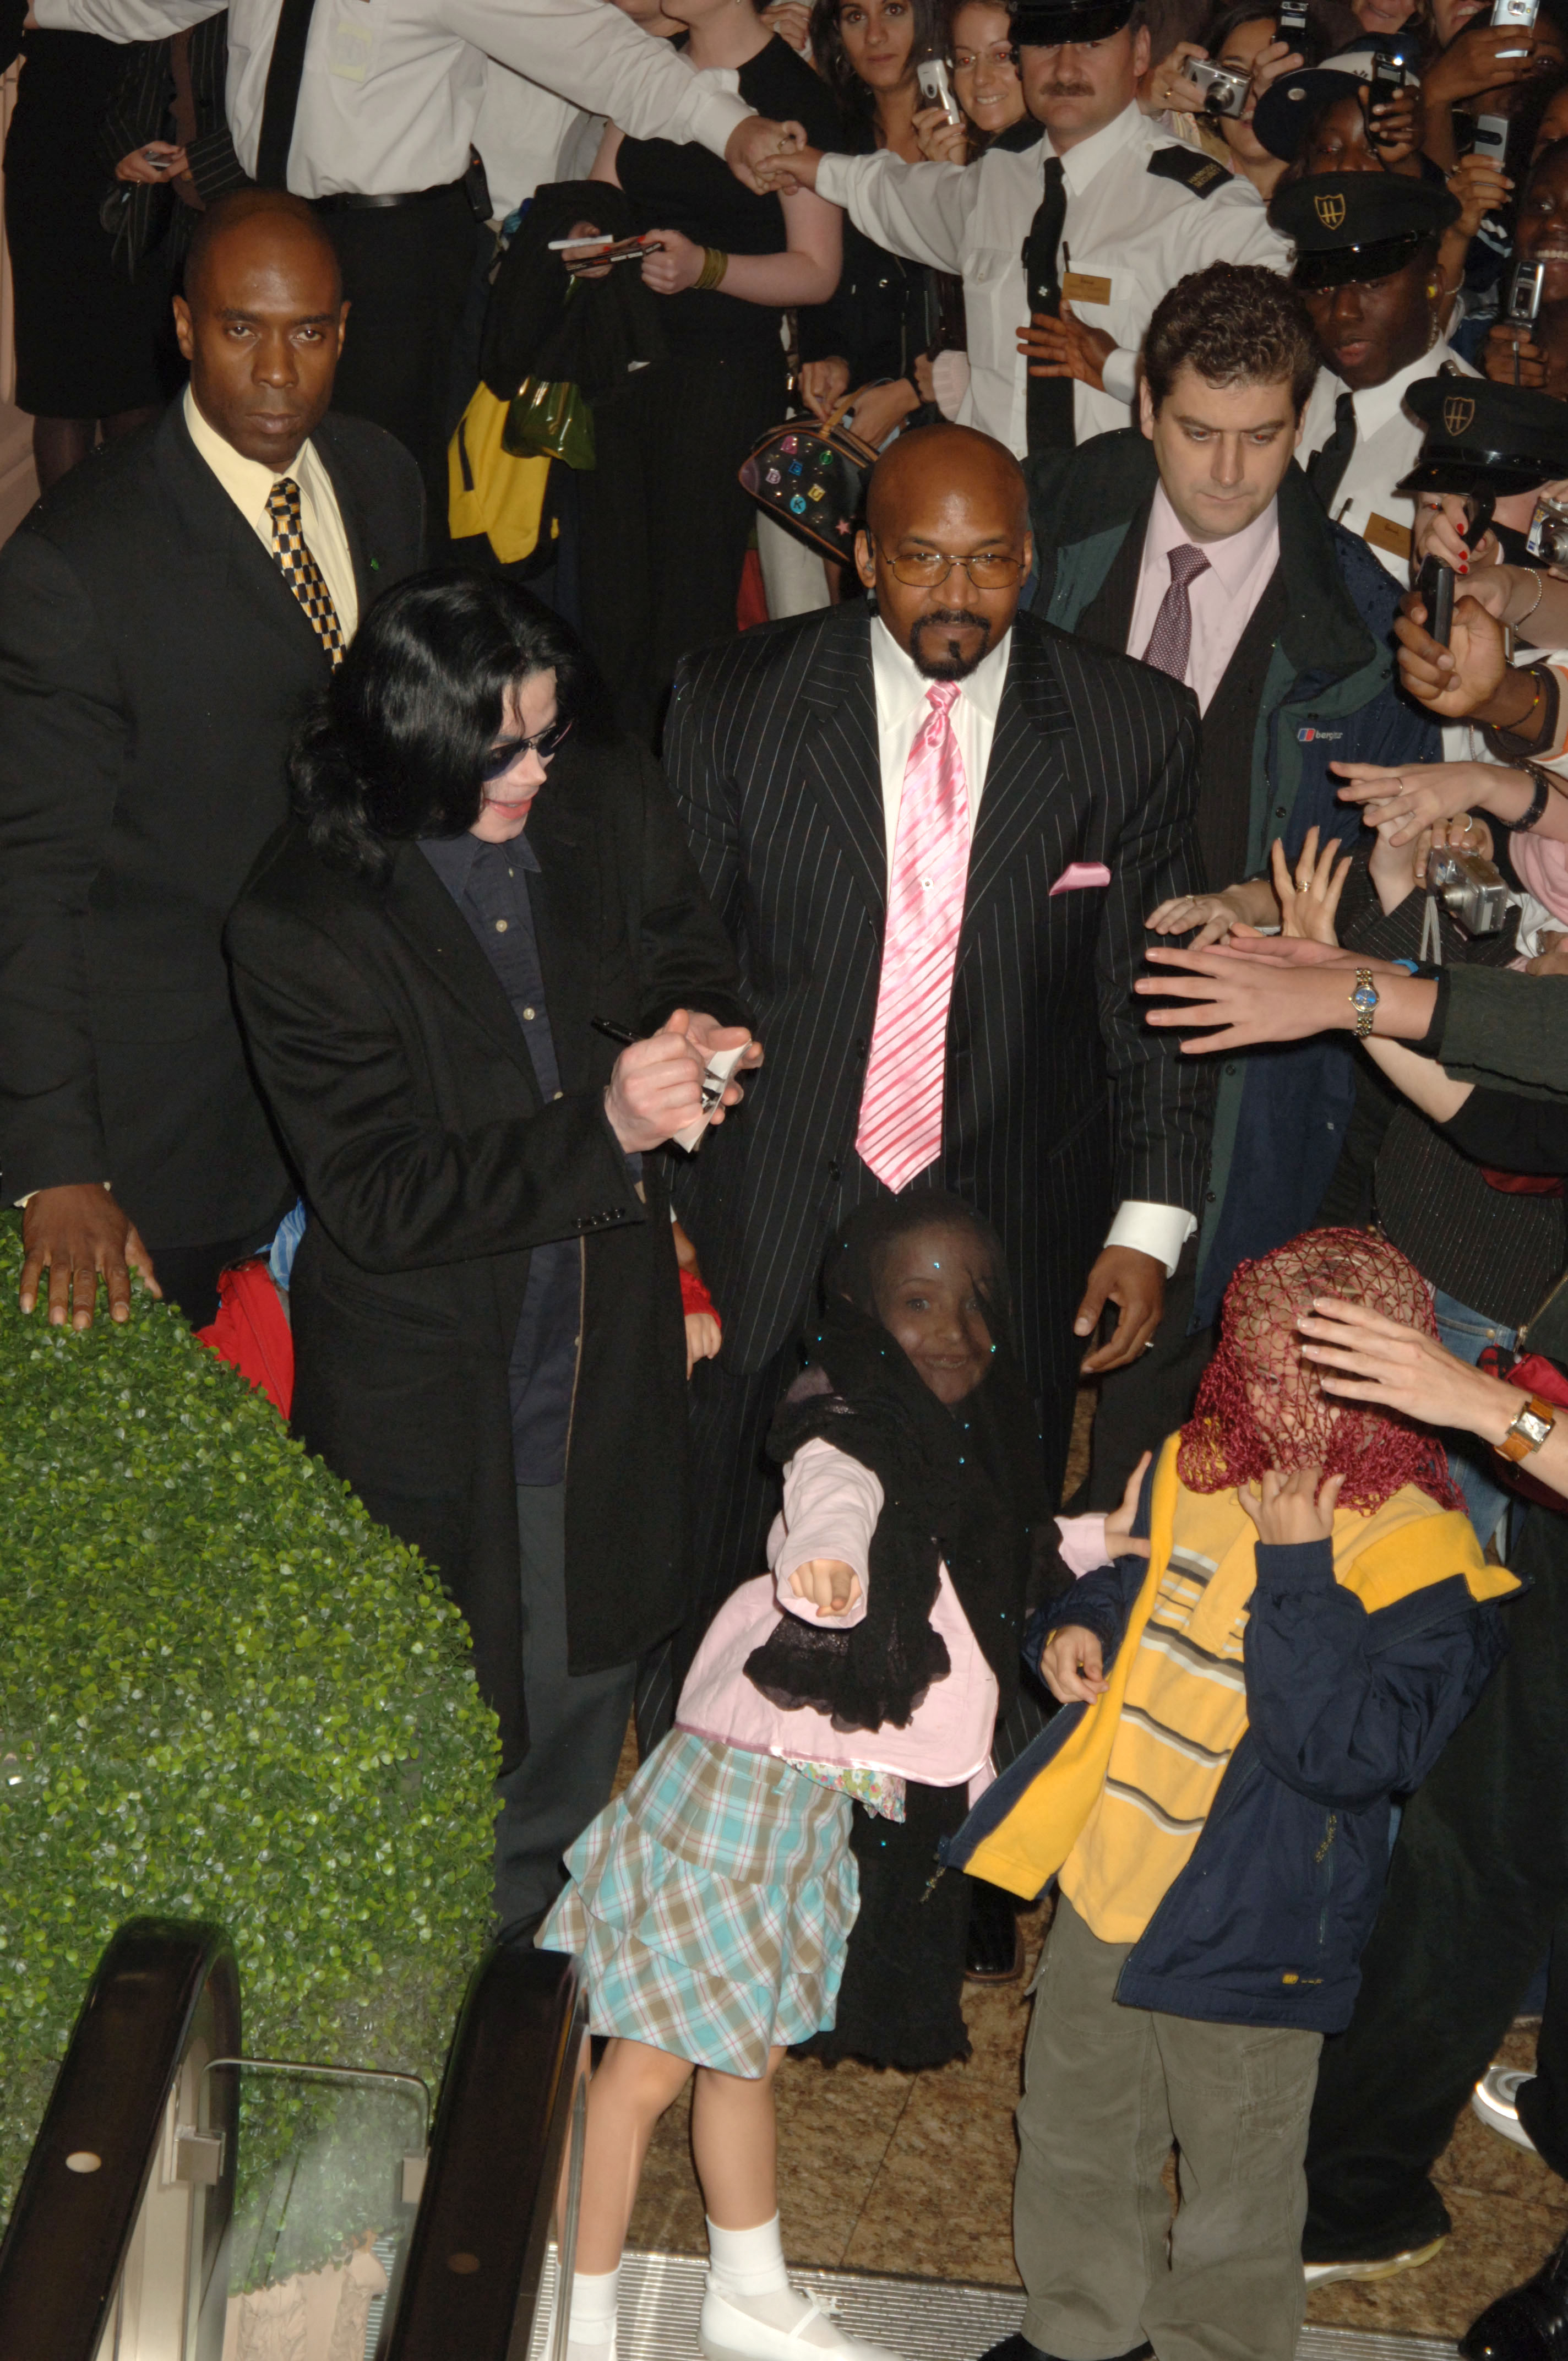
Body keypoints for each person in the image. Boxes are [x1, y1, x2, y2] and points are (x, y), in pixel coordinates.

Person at [650, 421, 1211, 1773]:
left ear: (1031, 559)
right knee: (728, 1510)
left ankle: (957, 1838)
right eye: (917, 561)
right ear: (857, 555)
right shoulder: (731, 700)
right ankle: (711, 1783)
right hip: (771, 1184)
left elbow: (1149, 996)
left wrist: (1147, 1223)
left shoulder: (1129, 724)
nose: (953, 597)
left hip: (1004, 1206)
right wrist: (659, 1217)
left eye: (987, 564)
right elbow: (672, 965)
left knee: (982, 1533)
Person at [224, 570, 755, 1936]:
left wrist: (700, 1027)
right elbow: (379, 1196)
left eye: (548, 734)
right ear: (409, 743)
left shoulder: (599, 794)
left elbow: (684, 940)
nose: (534, 769)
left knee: (577, 1733)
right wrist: (609, 1127)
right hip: (441, 1406)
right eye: (501, 747)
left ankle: (527, 2037)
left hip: (600, 1375)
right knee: (439, 1761)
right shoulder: (303, 918)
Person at [952, 1226, 1518, 2361]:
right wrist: (1077, 1625)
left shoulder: (1426, 1560)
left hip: (1260, 1923)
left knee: (1237, 2180)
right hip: (1114, 1875)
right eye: (1258, 1363)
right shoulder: (1192, 1459)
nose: (1278, 1398)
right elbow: (1131, 1566)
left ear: (1394, 1377)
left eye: (1318, 1373)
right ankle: (1079, 2328)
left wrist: (1300, 1569)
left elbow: (1352, 1756)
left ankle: (1215, 2343)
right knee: (1075, 2129)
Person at [536, 1193, 1059, 2361]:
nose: (955, 1331)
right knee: (644, 2067)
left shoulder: (959, 1438)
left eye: (975, 1302)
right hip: (747, 1788)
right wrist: (823, 1555)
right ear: (862, 1315)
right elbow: (834, 1493)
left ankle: (748, 2287)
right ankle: (576, 2311)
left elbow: (997, 1553)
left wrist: (1098, 1540)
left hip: (812, 1801)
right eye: (917, 1302)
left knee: (747, 2048)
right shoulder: (850, 1419)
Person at [1030, 260, 1441, 1505]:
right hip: (1029, 994)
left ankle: (1119, 1621)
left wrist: (1251, 906)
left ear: (1301, 428)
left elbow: (1379, 872)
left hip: (1226, 1040)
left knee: (1175, 1344)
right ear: (1141, 407)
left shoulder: (1356, 625)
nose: (1222, 471)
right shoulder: (1044, 527)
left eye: (1260, 438)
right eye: (1195, 433)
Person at [0, 189, 424, 1336]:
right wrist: (54, 1165)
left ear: (344, 327)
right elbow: (28, 881)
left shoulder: (381, 474)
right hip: (172, 1117)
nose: (277, 373)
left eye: (309, 333)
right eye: (241, 330)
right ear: (185, 328)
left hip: (361, 1092)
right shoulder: (74, 564)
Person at [33, 0, 814, 504]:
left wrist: (733, 127)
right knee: (257, 480)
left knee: (377, 490)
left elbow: (604, 53)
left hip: (396, 249)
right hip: (271, 234)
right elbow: (133, 4)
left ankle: (389, 712)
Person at [769, 0, 1287, 458]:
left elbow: (1274, 352)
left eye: (1091, 42)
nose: (1065, 68)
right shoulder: (996, 177)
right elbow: (885, 189)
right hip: (994, 510)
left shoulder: (1195, 202)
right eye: (1043, 44)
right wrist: (794, 160)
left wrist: (1120, 369)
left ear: (1140, 51)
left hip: (1118, 524)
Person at [563, 0, 842, 743]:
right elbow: (601, 194)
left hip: (721, 372)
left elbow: (816, 271)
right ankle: (616, 805)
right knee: (610, 603)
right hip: (626, 364)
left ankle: (687, 804)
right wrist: (591, 242)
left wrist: (705, 269)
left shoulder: (794, 95)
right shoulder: (651, 69)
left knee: (688, 609)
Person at [0, 4, 171, 489]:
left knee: (140, 377)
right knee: (61, 384)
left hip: (150, 135)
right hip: (55, 150)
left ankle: (135, 556)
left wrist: (45, 11)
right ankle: (64, 561)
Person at [1278, 171, 1474, 580]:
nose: (1344, 311)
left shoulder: (1472, 437)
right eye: (1323, 289)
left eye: (1373, 282)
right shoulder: (1282, 390)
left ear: (1432, 285)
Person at [797, 0, 953, 459]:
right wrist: (831, 359)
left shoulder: (972, 136)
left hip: (955, 420)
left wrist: (910, 393)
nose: (876, 35)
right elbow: (824, 277)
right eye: (855, 17)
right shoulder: (830, 138)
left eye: (895, 10)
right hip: (855, 411)